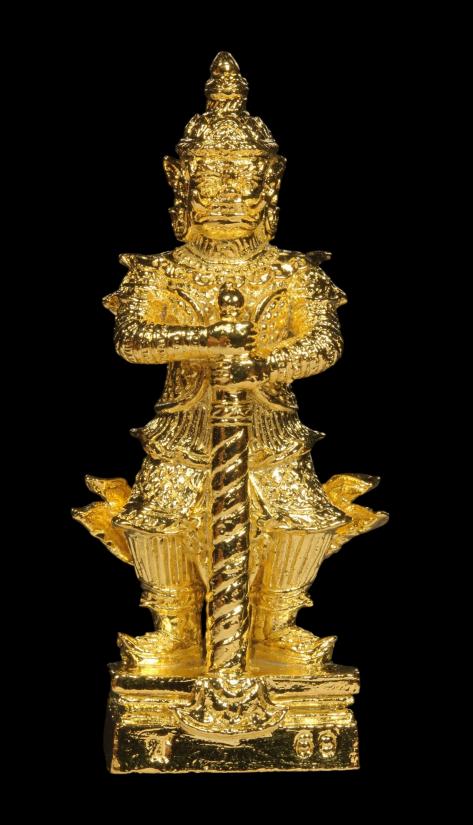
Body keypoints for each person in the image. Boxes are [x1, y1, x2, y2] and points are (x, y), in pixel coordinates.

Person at [74, 52, 384, 674]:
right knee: (160, 521)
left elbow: (323, 345)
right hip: (185, 428)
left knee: (298, 521)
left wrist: (259, 367)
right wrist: (210, 340)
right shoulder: (159, 271)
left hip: (269, 429)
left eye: (239, 184)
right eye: (209, 184)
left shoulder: (292, 271)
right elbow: (133, 340)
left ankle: (277, 623)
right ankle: (173, 627)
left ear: (267, 189)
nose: (224, 198)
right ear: (181, 187)